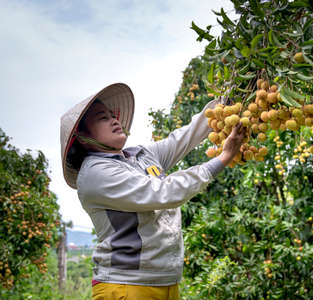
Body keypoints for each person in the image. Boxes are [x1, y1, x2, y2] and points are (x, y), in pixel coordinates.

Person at [60, 83, 245, 300]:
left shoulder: (140, 156)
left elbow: (185, 137)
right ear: (82, 137)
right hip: (125, 286)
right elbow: (163, 193)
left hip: (165, 280)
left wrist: (228, 100)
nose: (114, 120)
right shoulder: (95, 174)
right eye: (103, 118)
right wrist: (223, 158)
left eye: (113, 115)